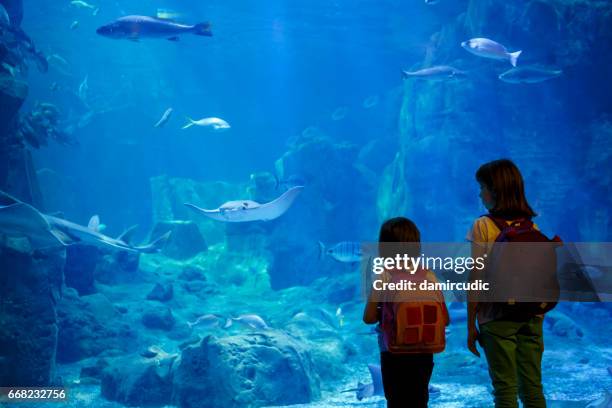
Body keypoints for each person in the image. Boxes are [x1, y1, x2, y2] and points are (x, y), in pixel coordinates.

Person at [466, 159, 546, 408]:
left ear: (495, 191)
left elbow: (476, 278)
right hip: (532, 316)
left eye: (482, 187)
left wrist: (471, 323)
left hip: (496, 318)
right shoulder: (532, 226)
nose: (480, 193)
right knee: (532, 387)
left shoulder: (483, 226)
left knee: (505, 389)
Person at [364, 217, 448, 408]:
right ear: (417, 246)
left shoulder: (384, 275)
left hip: (393, 353)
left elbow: (368, 318)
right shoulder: (429, 275)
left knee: (397, 401)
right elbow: (446, 318)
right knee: (420, 399)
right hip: (425, 351)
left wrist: (383, 311)